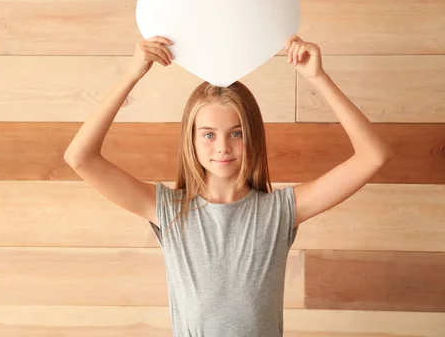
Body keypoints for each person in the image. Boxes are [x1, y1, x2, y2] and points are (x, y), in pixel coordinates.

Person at [64, 35, 393, 336]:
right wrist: (131, 76)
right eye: (208, 134)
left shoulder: (279, 211)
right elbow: (80, 157)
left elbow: (373, 156)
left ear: (253, 137)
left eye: (236, 133)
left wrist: (317, 78)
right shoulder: (168, 209)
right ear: (190, 140)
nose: (222, 146)